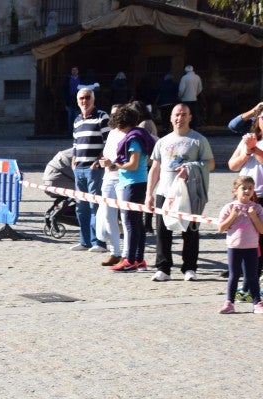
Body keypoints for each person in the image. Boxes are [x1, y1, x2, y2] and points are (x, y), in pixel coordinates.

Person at [145, 103, 214, 282]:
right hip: (164, 192)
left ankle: (189, 267)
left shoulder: (198, 140)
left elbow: (210, 164)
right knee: (162, 232)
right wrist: (149, 194)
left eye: (184, 114)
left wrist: (190, 169)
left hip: (188, 193)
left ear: (190, 117)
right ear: (171, 117)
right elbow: (155, 168)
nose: (180, 118)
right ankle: (163, 268)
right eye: (177, 114)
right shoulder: (162, 141)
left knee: (190, 231)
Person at [109, 104, 156, 272]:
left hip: (134, 183)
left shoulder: (134, 139)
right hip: (136, 182)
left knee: (130, 223)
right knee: (137, 223)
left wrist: (117, 165)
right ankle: (139, 259)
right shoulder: (138, 134)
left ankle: (130, 260)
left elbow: (133, 164)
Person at [71, 87, 110, 252]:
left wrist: (97, 162)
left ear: (93, 99)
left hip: (94, 169)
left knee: (95, 206)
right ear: (77, 101)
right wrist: (73, 160)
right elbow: (75, 143)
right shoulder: (77, 120)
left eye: (87, 97)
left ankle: (99, 242)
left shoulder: (102, 116)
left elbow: (108, 142)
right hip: (79, 168)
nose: (84, 101)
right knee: (81, 207)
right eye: (81, 98)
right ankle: (84, 241)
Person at [217, 176, 263, 314]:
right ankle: (229, 303)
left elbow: (261, 230)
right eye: (244, 188)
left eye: (250, 188)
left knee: (252, 276)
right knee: (234, 275)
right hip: (234, 247)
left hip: (251, 247)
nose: (247, 191)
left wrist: (254, 216)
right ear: (235, 190)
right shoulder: (229, 207)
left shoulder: (257, 208)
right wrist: (232, 216)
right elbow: (221, 228)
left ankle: (257, 303)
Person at [96, 104, 124, 267]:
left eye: (117, 114)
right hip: (108, 178)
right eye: (112, 114)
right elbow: (106, 153)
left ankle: (128, 254)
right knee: (108, 216)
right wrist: (100, 162)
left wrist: (112, 163)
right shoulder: (112, 133)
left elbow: (129, 160)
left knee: (126, 218)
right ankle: (115, 252)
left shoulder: (129, 134)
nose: (114, 117)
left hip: (122, 179)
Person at [178, 65, 204, 130]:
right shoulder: (197, 77)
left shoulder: (184, 78)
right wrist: (195, 94)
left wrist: (180, 96)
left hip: (185, 99)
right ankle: (194, 128)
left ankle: (186, 127)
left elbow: (181, 89)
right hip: (194, 99)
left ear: (185, 71)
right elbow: (200, 88)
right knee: (193, 114)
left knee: (185, 114)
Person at [65, 66, 81, 130]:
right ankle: (70, 131)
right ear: (71, 71)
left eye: (75, 70)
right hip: (70, 101)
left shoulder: (81, 79)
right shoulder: (67, 79)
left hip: (78, 101)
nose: (74, 71)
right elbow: (65, 90)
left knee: (77, 117)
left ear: (78, 71)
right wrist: (66, 102)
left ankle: (76, 130)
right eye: (73, 70)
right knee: (69, 117)